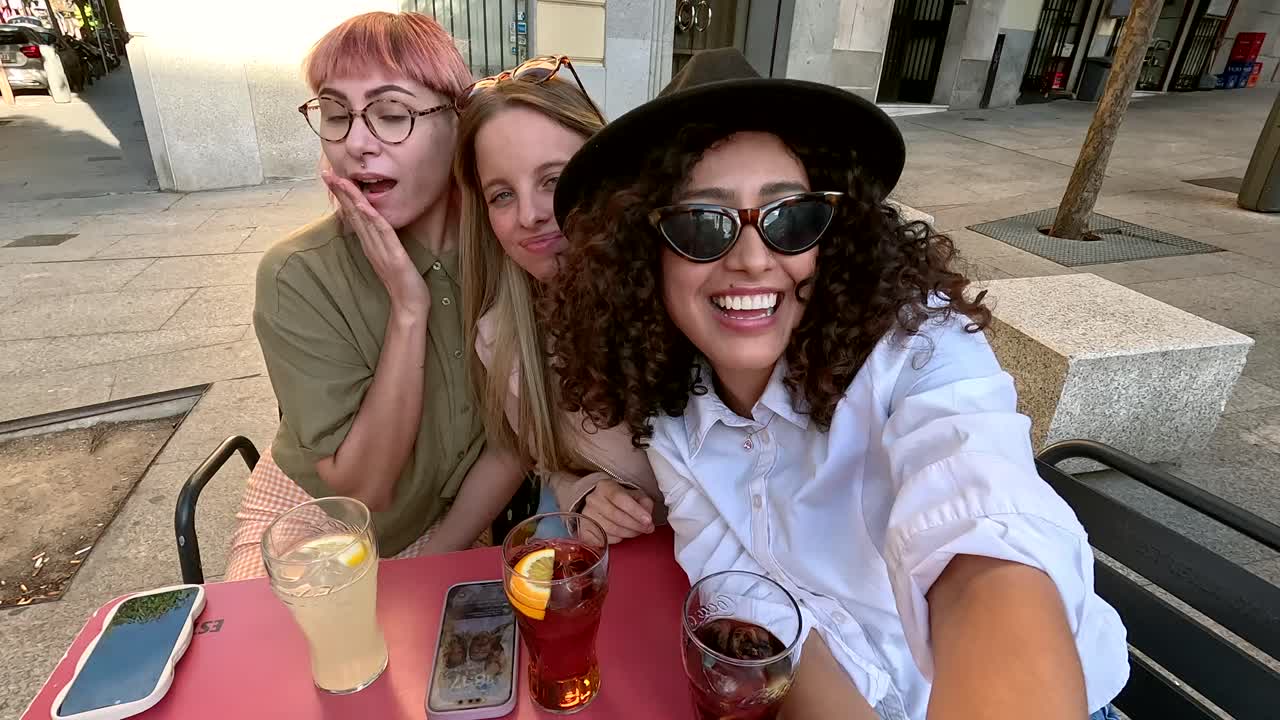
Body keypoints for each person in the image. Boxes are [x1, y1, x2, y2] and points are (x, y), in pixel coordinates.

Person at [545, 49, 1128, 719]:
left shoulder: (918, 349)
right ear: (642, 256)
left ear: (834, 235)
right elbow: (747, 593)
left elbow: (983, 525)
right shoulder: (672, 410)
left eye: (789, 218)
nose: (753, 259)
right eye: (701, 224)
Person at [225, 11, 525, 580]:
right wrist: (409, 309)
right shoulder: (298, 274)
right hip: (314, 513)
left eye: (391, 114)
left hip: (450, 517)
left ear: (458, 122)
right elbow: (363, 490)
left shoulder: (508, 249)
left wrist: (438, 557)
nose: (357, 143)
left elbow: (515, 439)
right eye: (336, 115)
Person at [454, 56, 665, 543]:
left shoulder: (682, 290)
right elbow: (551, 465)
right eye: (502, 195)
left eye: (553, 180)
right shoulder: (503, 338)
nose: (529, 215)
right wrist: (586, 493)